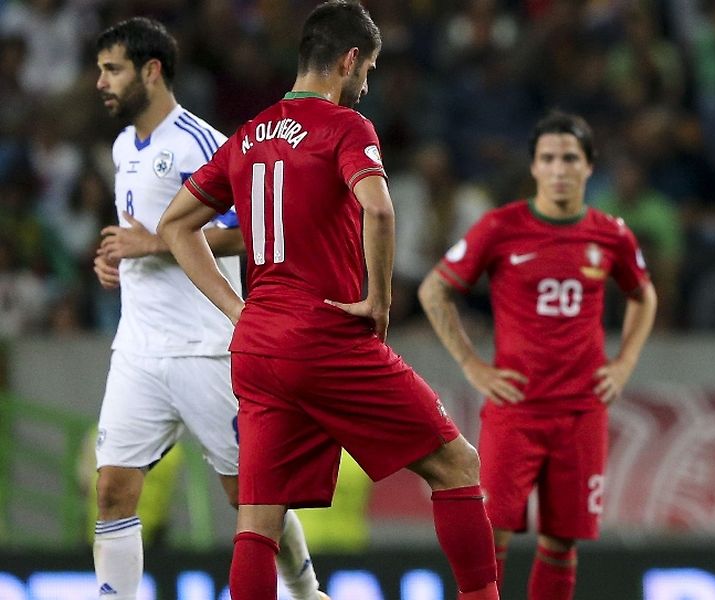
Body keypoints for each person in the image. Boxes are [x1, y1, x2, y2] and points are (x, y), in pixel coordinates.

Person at [156, 3, 499, 599]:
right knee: (457, 465)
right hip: (324, 334)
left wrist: (237, 310)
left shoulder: (248, 135)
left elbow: (175, 226)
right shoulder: (346, 128)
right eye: (368, 68)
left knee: (257, 520)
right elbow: (381, 208)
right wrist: (379, 301)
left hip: (258, 345)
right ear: (349, 60)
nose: (366, 83)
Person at [90, 18, 325, 600]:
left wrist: (151, 242)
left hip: (207, 346)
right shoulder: (124, 146)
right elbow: (143, 234)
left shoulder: (200, 142)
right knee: (113, 489)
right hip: (139, 349)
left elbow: (249, 231)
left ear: (151, 71)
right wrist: (122, 258)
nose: (100, 82)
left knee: (249, 496)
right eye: (100, 69)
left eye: (112, 69)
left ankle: (304, 590)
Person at [418, 111, 658, 600]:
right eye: (548, 158)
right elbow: (435, 290)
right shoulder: (502, 227)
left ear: (589, 167)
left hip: (581, 409)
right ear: (533, 167)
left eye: (570, 158)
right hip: (517, 408)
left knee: (562, 540)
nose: (559, 168)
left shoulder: (610, 233)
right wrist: (472, 364)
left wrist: (625, 362)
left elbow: (643, 295)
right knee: (493, 532)